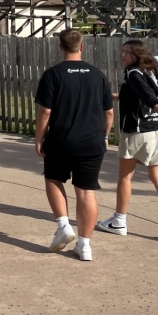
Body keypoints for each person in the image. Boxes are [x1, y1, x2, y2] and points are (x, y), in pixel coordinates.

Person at [34, 28, 114, 261]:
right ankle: (85, 245)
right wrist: (105, 136)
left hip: (61, 139)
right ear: (82, 47)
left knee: (53, 179)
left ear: (60, 47)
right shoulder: (97, 74)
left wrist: (39, 137)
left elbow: (45, 111)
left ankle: (63, 226)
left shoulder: (53, 74)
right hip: (92, 142)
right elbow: (108, 112)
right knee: (86, 192)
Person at [98, 41, 158, 244]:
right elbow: (152, 89)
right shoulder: (152, 70)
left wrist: (155, 104)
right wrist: (118, 96)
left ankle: (119, 221)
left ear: (136, 54)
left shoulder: (134, 73)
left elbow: (145, 92)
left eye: (127, 52)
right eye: (122, 51)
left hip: (138, 130)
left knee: (125, 177)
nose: (122, 55)